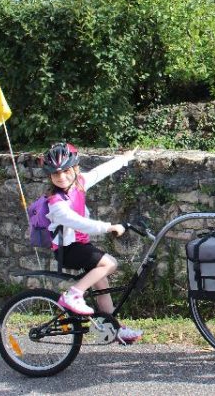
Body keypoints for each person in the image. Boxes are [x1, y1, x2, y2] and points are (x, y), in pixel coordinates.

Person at [41, 142, 143, 344]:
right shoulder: (56, 203)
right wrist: (109, 227)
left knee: (101, 283)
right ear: (50, 176)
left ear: (75, 168)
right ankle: (74, 294)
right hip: (67, 250)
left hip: (81, 246)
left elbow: (99, 172)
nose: (61, 177)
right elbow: (80, 223)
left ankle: (113, 329)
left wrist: (124, 159)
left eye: (65, 171)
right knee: (110, 264)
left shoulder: (79, 183)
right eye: (55, 174)